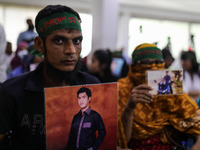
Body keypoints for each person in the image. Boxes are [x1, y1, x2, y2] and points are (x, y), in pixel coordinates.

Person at [0, 5, 100, 150]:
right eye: (59, 41)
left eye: (77, 41)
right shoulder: (12, 92)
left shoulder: (93, 87)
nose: (71, 51)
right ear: (40, 45)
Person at [117, 43, 200, 150]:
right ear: (134, 66)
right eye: (146, 63)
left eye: (158, 62)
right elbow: (121, 140)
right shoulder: (122, 89)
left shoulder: (168, 84)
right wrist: (130, 107)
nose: (153, 67)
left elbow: (195, 119)